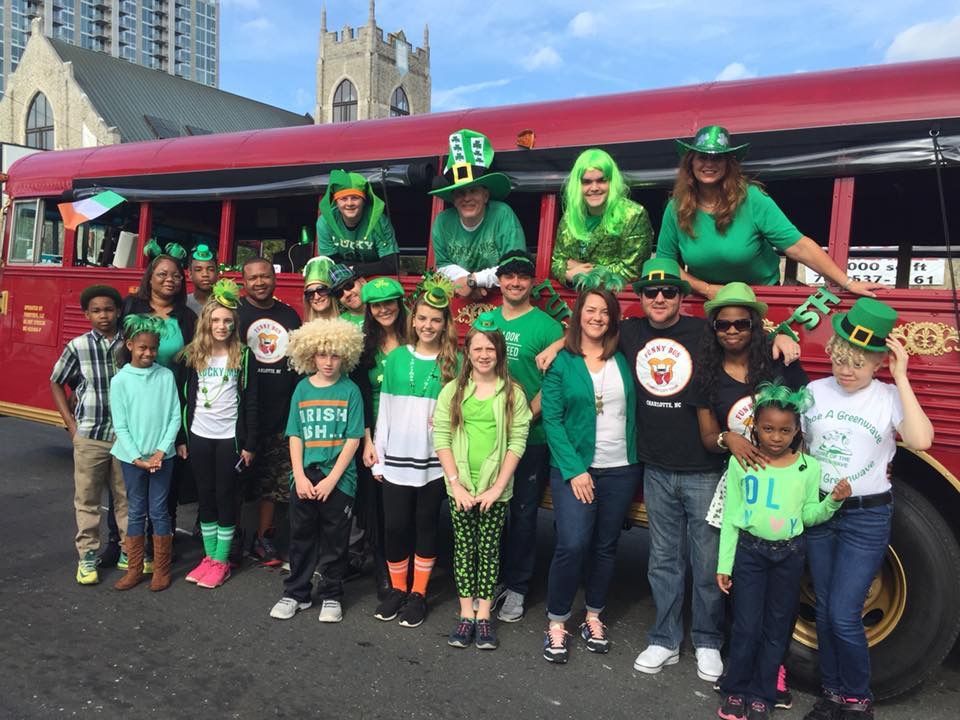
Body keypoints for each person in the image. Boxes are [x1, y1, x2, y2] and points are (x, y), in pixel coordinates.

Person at [535, 258, 797, 681]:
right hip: (654, 468)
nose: (660, 298)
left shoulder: (703, 331)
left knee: (708, 560)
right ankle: (664, 639)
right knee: (663, 562)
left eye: (670, 291)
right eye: (651, 293)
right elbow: (589, 336)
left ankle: (708, 641)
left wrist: (780, 333)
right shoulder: (632, 332)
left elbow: (743, 334)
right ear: (639, 298)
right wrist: (555, 346)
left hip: (703, 467)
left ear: (682, 296)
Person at [801, 299, 934, 720]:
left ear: (878, 361)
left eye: (858, 363)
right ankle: (833, 692)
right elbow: (800, 445)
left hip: (866, 514)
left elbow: (921, 439)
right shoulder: (815, 392)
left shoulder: (889, 396)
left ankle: (857, 699)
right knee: (824, 608)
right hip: (821, 510)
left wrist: (902, 377)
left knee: (843, 612)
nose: (846, 370)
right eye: (841, 359)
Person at [716, 381, 851, 720]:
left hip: (789, 555)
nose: (776, 437)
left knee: (777, 629)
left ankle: (763, 695)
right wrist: (724, 564)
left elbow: (808, 516)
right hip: (749, 552)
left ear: (796, 431)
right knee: (746, 627)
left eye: (785, 430)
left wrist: (832, 502)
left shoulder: (808, 468)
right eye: (768, 429)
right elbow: (732, 516)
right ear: (756, 429)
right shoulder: (741, 463)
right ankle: (736, 690)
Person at [657, 125, 884, 299]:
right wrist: (706, 289)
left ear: (729, 164)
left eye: (717, 157)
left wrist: (848, 283)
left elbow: (798, 246)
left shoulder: (752, 198)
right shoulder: (676, 207)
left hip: (761, 298)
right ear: (690, 162)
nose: (709, 163)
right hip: (706, 300)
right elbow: (666, 263)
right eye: (703, 156)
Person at [540, 288, 640, 664]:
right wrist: (575, 469)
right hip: (574, 468)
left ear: (613, 319)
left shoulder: (625, 356)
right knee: (572, 544)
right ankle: (557, 620)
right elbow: (551, 419)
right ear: (578, 314)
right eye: (590, 310)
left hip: (621, 467)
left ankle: (594, 616)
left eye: (605, 312)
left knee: (605, 545)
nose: (597, 317)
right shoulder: (562, 362)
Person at [434, 315, 531, 651]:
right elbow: (442, 436)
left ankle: (485, 615)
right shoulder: (454, 391)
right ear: (468, 352)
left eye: (490, 348)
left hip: (495, 488)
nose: (484, 354)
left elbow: (518, 440)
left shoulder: (512, 394)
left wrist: (497, 487)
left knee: (488, 551)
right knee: (464, 548)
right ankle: (466, 614)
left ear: (500, 353)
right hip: (460, 486)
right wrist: (456, 483)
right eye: (478, 348)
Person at [371, 275, 460, 627]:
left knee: (425, 526)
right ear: (413, 319)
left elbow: (459, 414)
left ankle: (418, 593)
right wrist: (378, 455)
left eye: (435, 320)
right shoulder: (395, 359)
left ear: (445, 324)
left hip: (433, 461)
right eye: (422, 318)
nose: (428, 325)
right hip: (395, 457)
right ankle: (396, 588)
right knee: (395, 527)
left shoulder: (455, 360)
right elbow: (386, 411)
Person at [268, 318, 365, 623]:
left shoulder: (350, 391)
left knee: (336, 540)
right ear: (311, 355)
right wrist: (297, 475)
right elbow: (295, 435)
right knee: (301, 536)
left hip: (339, 478)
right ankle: (296, 592)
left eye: (335, 355)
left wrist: (333, 480)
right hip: (305, 475)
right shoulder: (302, 389)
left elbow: (354, 438)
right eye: (322, 355)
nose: (328, 362)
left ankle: (332, 594)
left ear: (345, 356)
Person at [489, 249, 565, 623]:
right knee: (490, 511)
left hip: (529, 438)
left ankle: (518, 586)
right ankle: (492, 580)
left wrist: (520, 420)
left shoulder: (548, 327)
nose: (515, 282)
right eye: (509, 275)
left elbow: (551, 385)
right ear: (500, 280)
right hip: (489, 439)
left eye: (523, 276)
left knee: (522, 513)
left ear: (532, 282)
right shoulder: (485, 322)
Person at [175, 280, 259, 589]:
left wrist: (249, 443)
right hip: (199, 435)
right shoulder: (195, 356)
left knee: (226, 498)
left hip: (229, 439)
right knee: (205, 498)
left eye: (227, 321)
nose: (221, 326)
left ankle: (222, 561)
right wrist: (182, 437)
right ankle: (209, 558)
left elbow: (251, 402)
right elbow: (185, 399)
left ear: (235, 324)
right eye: (215, 320)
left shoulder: (244, 356)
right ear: (206, 322)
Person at [50, 284, 129, 585]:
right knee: (87, 499)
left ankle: (127, 550)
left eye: (109, 309)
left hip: (125, 436)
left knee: (126, 498)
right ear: (86, 314)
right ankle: (87, 556)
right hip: (90, 434)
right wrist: (71, 424)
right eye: (96, 311)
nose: (103, 315)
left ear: (118, 311)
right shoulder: (78, 346)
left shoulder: (130, 344)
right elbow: (57, 381)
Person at [692, 282, 809, 470]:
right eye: (722, 325)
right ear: (714, 329)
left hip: (788, 471)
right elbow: (708, 437)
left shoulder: (779, 360)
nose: (732, 330)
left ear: (753, 326)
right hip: (741, 473)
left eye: (741, 324)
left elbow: (807, 418)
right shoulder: (706, 374)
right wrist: (727, 438)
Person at [110, 315, 183, 592]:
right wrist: (136, 457)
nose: (148, 353)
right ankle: (134, 569)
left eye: (152, 348)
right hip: (131, 458)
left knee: (160, 511)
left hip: (162, 457)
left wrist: (161, 452)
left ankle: (161, 570)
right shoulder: (120, 381)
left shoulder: (165, 376)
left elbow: (174, 416)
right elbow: (121, 424)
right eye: (142, 348)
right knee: (137, 510)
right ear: (129, 345)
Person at [238, 257, 302, 566]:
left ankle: (264, 537)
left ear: (274, 279)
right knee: (235, 478)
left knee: (273, 483)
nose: (260, 282)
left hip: (280, 411)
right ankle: (232, 535)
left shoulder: (288, 315)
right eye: (253, 278)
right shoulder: (235, 314)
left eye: (265, 276)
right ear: (244, 281)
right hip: (240, 414)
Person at [351, 276, 408, 599]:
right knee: (379, 509)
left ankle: (408, 570)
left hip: (412, 432)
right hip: (376, 436)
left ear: (399, 305)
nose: (384, 310)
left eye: (389, 303)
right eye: (376, 305)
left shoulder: (415, 338)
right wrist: (368, 440)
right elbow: (359, 394)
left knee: (407, 508)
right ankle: (383, 573)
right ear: (369, 309)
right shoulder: (363, 346)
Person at [428, 129, 525, 299]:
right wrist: (464, 282)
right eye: (460, 192)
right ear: (453, 199)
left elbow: (516, 264)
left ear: (486, 195)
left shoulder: (502, 214)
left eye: (473, 191)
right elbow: (443, 264)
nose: (467, 198)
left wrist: (474, 281)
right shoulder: (442, 221)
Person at [550, 148, 652, 286]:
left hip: (614, 300)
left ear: (612, 182)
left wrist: (584, 272)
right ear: (577, 185)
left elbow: (631, 271)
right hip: (575, 301)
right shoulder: (571, 216)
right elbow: (557, 262)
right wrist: (568, 274)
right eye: (586, 182)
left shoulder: (634, 215)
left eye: (601, 180)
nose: (594, 187)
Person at [316, 169, 400, 278]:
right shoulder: (325, 222)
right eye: (343, 198)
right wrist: (367, 268)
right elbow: (329, 263)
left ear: (364, 201)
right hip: (341, 282)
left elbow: (391, 265)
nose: (349, 203)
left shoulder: (379, 221)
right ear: (336, 202)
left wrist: (356, 269)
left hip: (376, 282)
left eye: (355, 198)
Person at [121, 253, 197, 368]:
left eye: (176, 276)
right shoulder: (130, 305)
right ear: (150, 279)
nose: (170, 279)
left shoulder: (188, 317)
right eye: (162, 274)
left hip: (171, 384)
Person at [302, 256, 348, 322]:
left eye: (321, 290)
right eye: (310, 293)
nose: (317, 297)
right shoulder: (304, 329)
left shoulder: (349, 323)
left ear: (332, 292)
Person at [185, 244, 219, 316]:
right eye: (198, 270)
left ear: (217, 273)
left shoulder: (226, 303)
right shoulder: (183, 303)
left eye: (211, 269)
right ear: (190, 274)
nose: (205, 274)